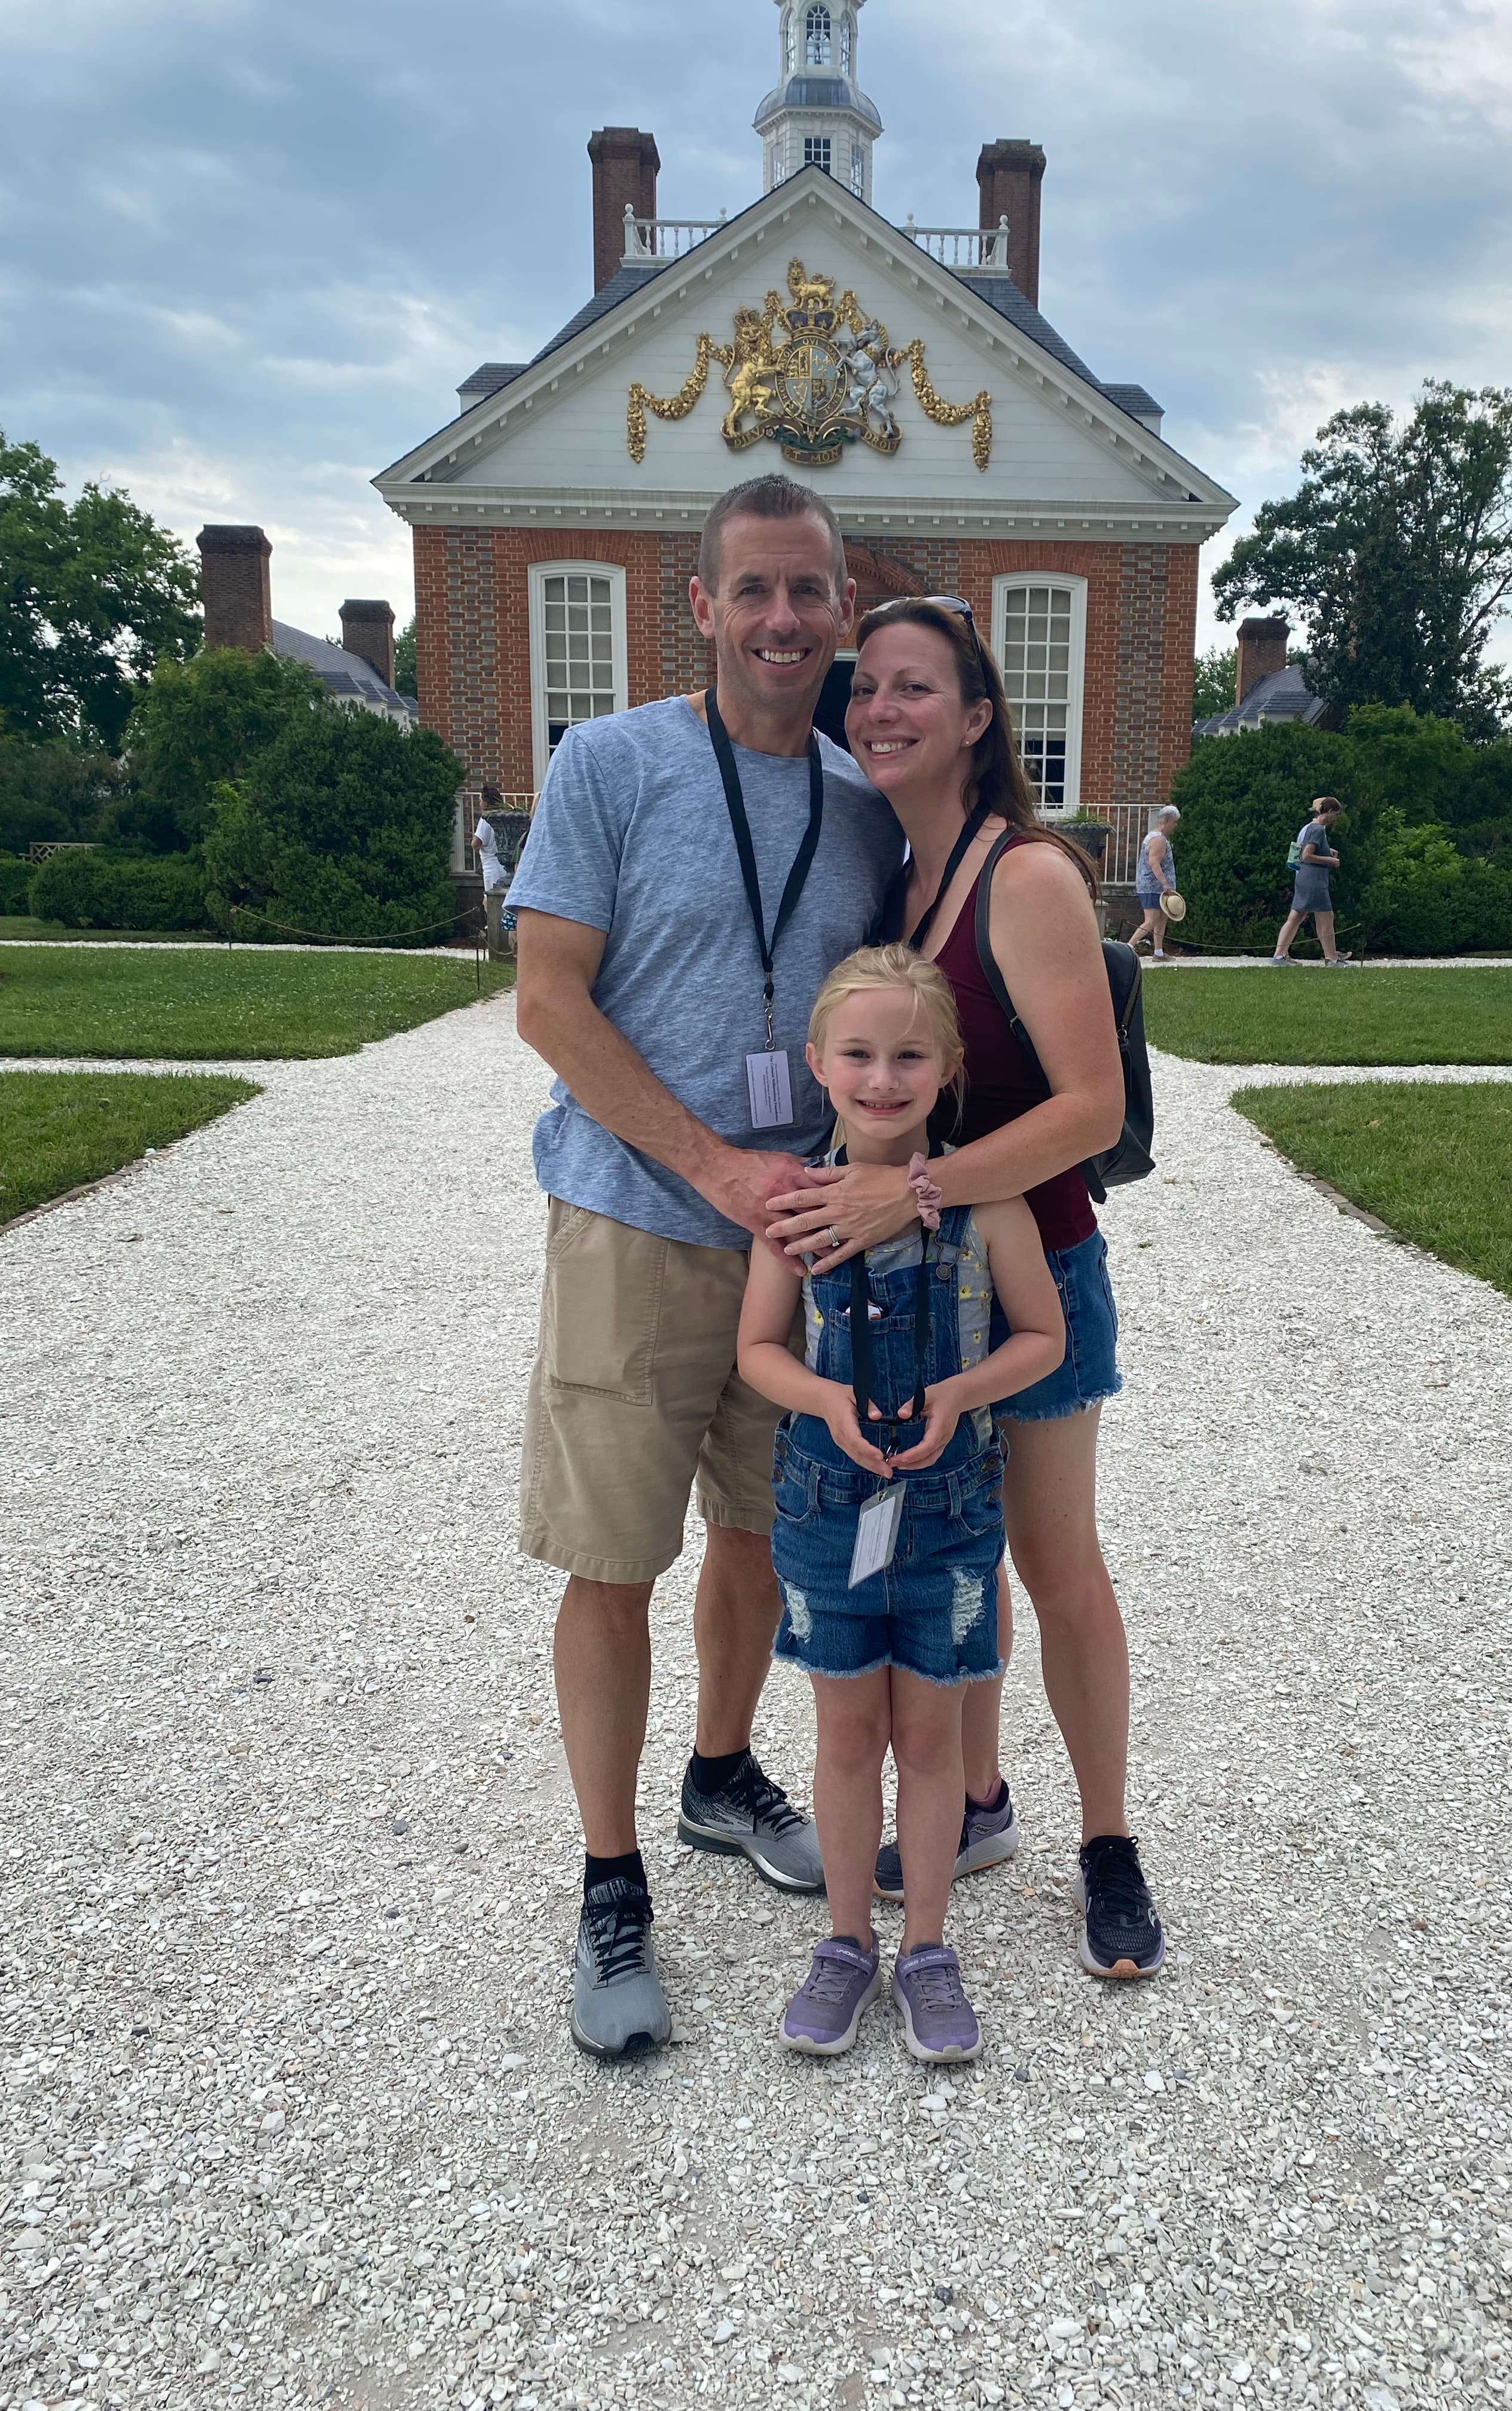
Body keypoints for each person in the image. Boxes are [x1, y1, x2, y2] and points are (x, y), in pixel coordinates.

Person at [508, 473, 905, 2058]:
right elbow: (549, 1002)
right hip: (634, 1217)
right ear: (702, 606)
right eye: (754, 589)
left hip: (796, 1237)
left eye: (810, 591)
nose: (784, 619)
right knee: (613, 1559)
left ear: (844, 608)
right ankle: (610, 1880)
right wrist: (715, 1165)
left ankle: (722, 1775)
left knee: (761, 1531)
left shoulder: (860, 798)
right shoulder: (606, 765)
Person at [763, 596, 1166, 1982]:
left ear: (981, 717)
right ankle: (977, 1803)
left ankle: (1108, 1846)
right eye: (865, 688)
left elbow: (1093, 1108)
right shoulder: (899, 879)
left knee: (1057, 1563)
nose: (879, 709)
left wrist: (909, 1190)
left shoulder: (1025, 876)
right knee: (957, 1548)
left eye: (915, 688)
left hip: (1030, 1262)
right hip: (911, 1289)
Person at [738, 946, 1064, 2061]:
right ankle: (842, 1941)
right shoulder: (792, 1205)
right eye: (860, 1055)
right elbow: (755, 1349)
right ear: (819, 1065)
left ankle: (926, 1944)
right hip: (827, 1503)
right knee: (843, 1731)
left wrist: (962, 1391)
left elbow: (1041, 1337)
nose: (882, 1079)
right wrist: (825, 1400)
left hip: (954, 1508)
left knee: (927, 1733)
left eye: (908, 1055)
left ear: (947, 1066)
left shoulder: (989, 1203)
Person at [1270, 795, 1349, 965]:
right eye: (1336, 815)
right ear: (1329, 811)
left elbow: (1308, 848)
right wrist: (1331, 861)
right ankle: (1332, 959)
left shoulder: (1311, 828)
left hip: (1305, 878)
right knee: (1326, 917)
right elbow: (1307, 855)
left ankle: (1279, 956)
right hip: (1314, 880)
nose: (1336, 819)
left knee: (1297, 916)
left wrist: (1328, 851)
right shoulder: (1318, 829)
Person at [1132, 805, 1181, 962]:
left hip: (1156, 887)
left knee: (1161, 919)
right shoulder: (1158, 839)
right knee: (1152, 920)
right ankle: (1128, 947)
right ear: (1166, 820)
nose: (1176, 826)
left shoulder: (1156, 837)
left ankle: (1159, 952)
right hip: (1153, 886)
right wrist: (1165, 884)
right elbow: (1154, 863)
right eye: (1174, 822)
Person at [473, 783, 514, 955]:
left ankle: (496, 939)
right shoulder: (505, 816)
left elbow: (477, 843)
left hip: (490, 865)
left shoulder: (486, 819)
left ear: (486, 801)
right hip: (503, 864)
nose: (480, 803)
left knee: (490, 903)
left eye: (481, 800)